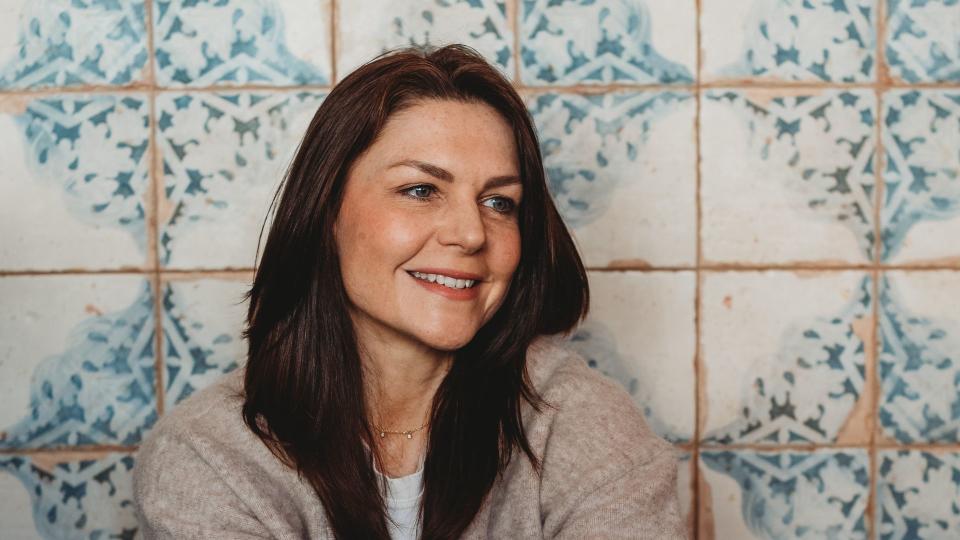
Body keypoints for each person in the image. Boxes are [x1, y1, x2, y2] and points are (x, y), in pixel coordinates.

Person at [132, 44, 686, 539]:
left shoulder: (584, 427)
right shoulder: (207, 458)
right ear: (327, 213)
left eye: (500, 202)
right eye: (421, 190)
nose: (471, 234)